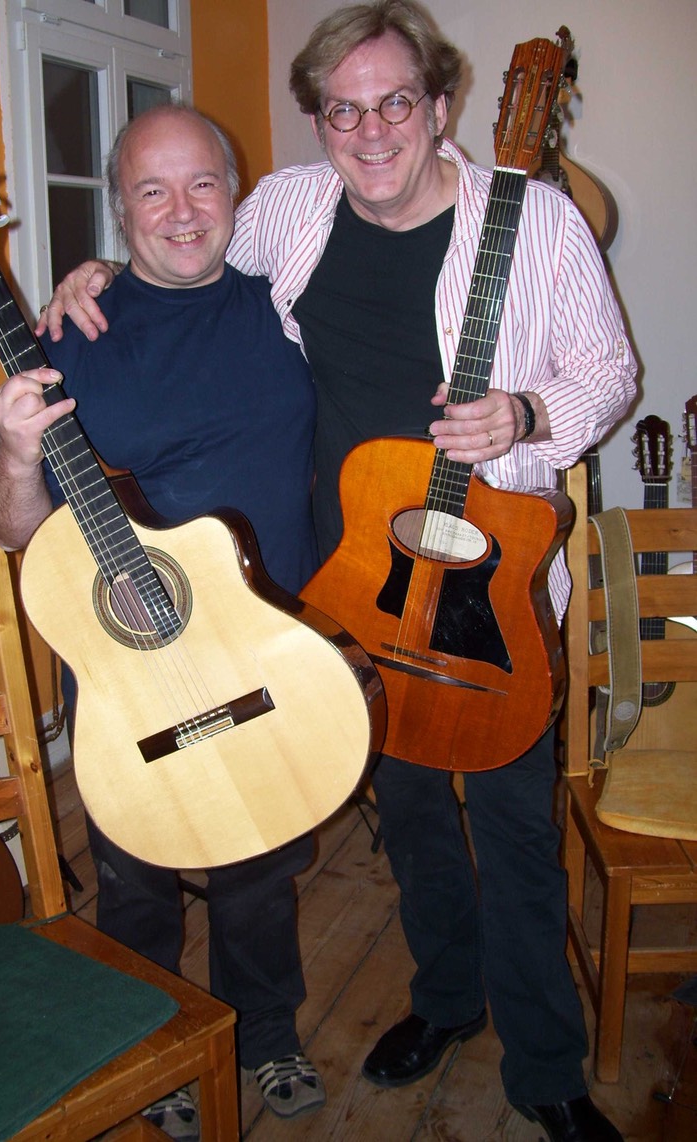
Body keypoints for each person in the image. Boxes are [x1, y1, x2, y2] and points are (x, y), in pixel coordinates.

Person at [38, 5, 638, 1139]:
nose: (370, 130)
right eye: (342, 108)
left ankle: (546, 1063)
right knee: (406, 812)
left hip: (490, 581)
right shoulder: (289, 209)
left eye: (394, 101)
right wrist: (94, 278)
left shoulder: (538, 222)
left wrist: (528, 409)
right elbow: (188, 254)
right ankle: (446, 999)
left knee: (511, 827)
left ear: (441, 105)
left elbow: (608, 366)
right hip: (356, 579)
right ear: (316, 120)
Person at [0, 104, 329, 1141]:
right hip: (129, 653)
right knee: (136, 871)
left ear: (238, 188)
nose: (181, 212)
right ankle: (146, 1038)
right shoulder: (69, 334)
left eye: (202, 184)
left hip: (268, 639)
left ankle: (265, 1030)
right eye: (150, 190)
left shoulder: (289, 305)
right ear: (117, 207)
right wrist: (13, 454)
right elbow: (5, 526)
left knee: (260, 866)